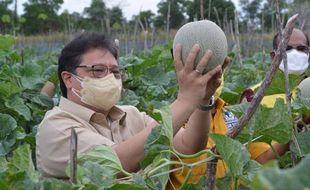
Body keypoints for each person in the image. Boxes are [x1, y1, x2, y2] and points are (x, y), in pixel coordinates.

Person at [36, 32, 224, 179]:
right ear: (68, 79)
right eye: (98, 70)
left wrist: (203, 100)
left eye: (115, 71)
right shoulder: (55, 126)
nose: (109, 77)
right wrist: (185, 100)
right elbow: (117, 162)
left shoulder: (132, 115)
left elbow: (188, 146)